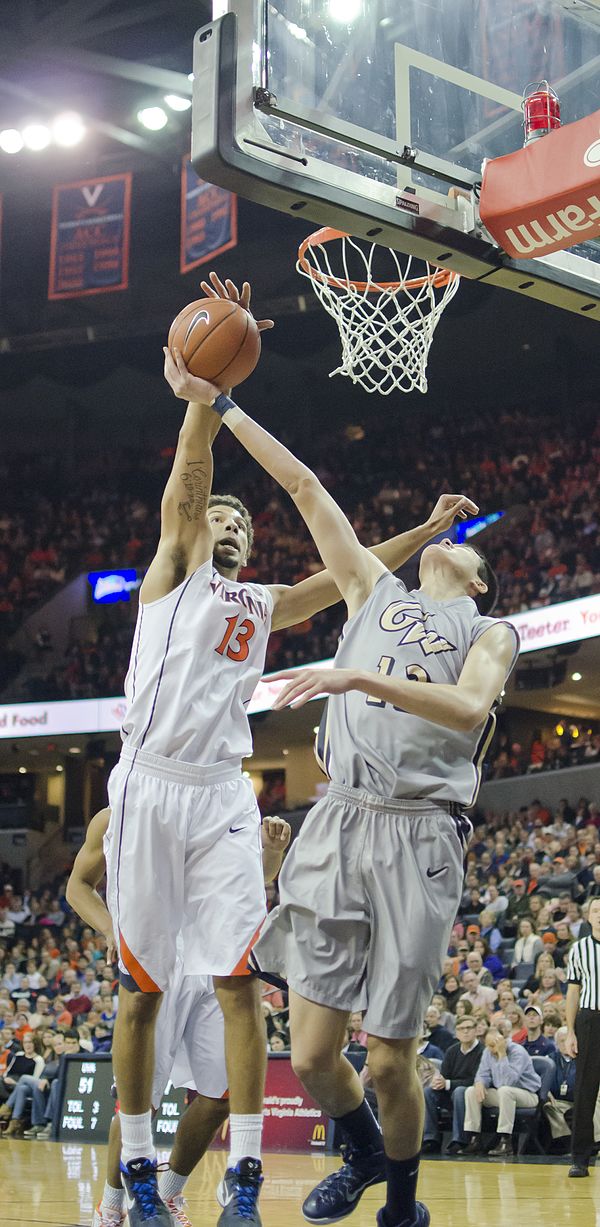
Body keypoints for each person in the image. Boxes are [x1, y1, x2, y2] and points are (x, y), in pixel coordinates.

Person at [108, 277, 476, 1227]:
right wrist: (200, 402)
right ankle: (137, 1180)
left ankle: (238, 1184)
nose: (226, 525)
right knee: (141, 993)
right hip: (150, 786)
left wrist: (429, 533)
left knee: (239, 981)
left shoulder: (261, 603)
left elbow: (343, 571)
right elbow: (189, 488)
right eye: (216, 520)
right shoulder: (172, 574)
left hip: (224, 792)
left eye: (239, 522)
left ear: (250, 539)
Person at [66, 804, 290, 1227]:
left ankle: (168, 1194)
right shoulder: (114, 814)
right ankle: (113, 1205)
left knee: (220, 1097)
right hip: (157, 957)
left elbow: (249, 883)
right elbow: (78, 886)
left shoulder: (221, 805)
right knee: (139, 1102)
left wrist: (272, 855)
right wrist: (112, 928)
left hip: (213, 962)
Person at [458, 1026, 541, 1157]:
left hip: (527, 1095)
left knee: (505, 1090)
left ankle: (505, 1140)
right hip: (504, 1094)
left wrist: (502, 1055)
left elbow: (508, 1081)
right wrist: (479, 1083)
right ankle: (474, 1139)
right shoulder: (488, 1052)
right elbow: (482, 1074)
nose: (491, 1050)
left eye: (493, 1046)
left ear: (503, 1041)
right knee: (471, 1091)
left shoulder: (518, 1052)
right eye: (488, 1046)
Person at [565, 896, 600, 1177]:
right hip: (590, 1020)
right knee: (585, 1091)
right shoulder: (579, 949)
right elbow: (573, 992)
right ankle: (579, 1158)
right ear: (588, 917)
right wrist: (570, 1031)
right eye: (596, 911)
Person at [421, 1016, 483, 1154]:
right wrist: (438, 1081)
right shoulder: (452, 1050)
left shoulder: (482, 1052)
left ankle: (460, 1140)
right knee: (428, 1092)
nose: (465, 1032)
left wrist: (447, 1083)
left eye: (469, 1028)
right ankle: (431, 1139)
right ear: (456, 1032)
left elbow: (477, 1079)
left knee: (461, 1091)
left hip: (473, 1095)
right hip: (451, 1092)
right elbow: (444, 1075)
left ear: (476, 1031)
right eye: (461, 1029)